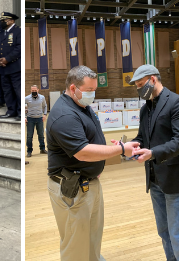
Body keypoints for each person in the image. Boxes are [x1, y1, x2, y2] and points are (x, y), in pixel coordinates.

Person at [46, 66, 138, 261]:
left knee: (92, 238)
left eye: (94, 90)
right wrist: (121, 149)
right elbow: (83, 152)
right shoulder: (64, 115)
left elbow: (89, 140)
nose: (92, 95)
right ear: (73, 88)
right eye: (89, 91)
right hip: (72, 189)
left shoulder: (81, 106)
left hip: (88, 184)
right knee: (76, 247)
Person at [125, 65, 179, 261]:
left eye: (141, 85)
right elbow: (143, 137)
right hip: (155, 179)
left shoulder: (177, 102)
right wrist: (129, 146)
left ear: (153, 79)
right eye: (136, 87)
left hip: (176, 180)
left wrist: (152, 153)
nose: (138, 90)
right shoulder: (146, 109)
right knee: (165, 233)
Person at [0, 12, 21, 121]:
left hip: (14, 66)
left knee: (17, 90)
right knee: (7, 91)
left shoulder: (18, 31)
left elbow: (19, 48)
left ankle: (20, 112)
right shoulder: (0, 34)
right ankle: (11, 111)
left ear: (11, 20)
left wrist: (7, 59)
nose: (2, 22)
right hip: (2, 67)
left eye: (4, 20)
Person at [25, 85, 47, 158]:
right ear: (30, 90)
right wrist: (24, 117)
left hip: (39, 118)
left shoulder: (42, 97)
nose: (34, 91)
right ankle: (29, 151)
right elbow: (23, 107)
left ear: (38, 90)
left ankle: (42, 149)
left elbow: (45, 106)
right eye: (32, 90)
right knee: (29, 136)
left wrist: (45, 114)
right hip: (30, 118)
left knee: (41, 134)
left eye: (35, 90)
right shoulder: (27, 98)